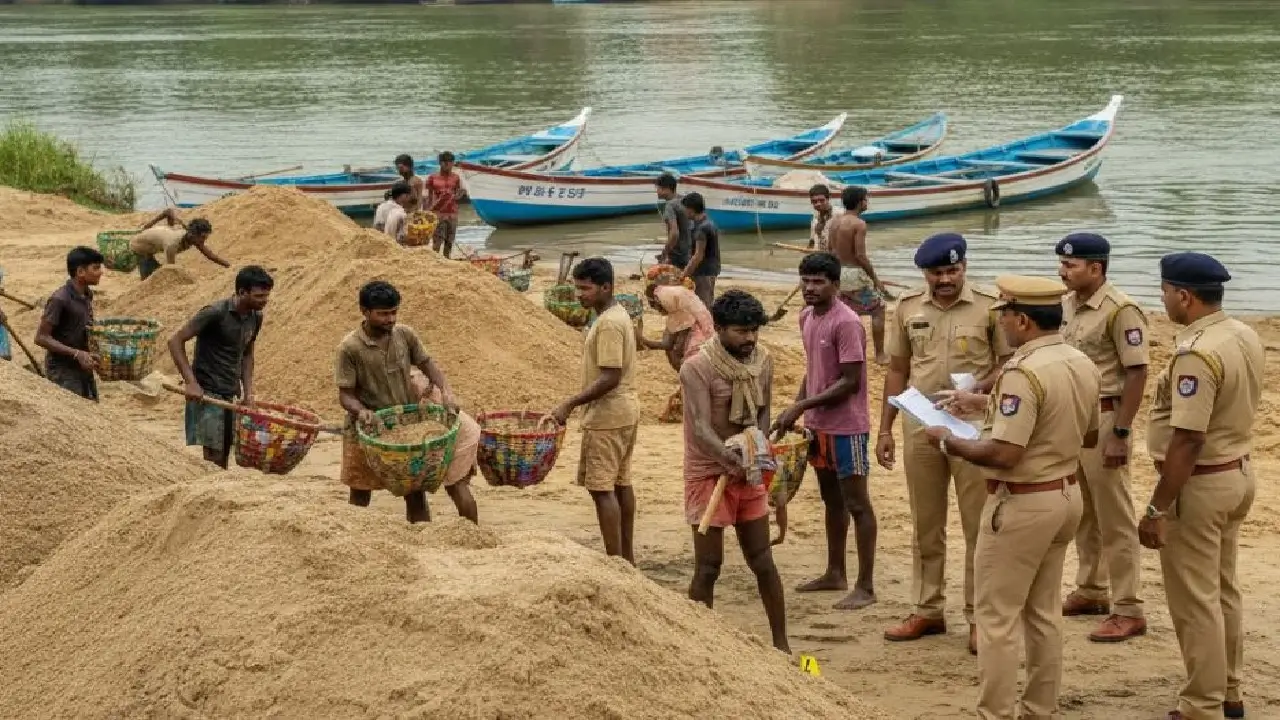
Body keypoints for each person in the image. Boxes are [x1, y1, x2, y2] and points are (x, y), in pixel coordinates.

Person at [925, 274, 1097, 720]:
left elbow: (1004, 452)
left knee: (997, 618)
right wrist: (986, 405)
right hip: (1064, 494)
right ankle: (1040, 709)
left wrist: (946, 440)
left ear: (1022, 320)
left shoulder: (1023, 371)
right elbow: (1089, 429)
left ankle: (995, 713)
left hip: (1023, 501)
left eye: (1004, 315)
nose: (999, 323)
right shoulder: (1079, 360)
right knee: (1042, 613)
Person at [1140, 253, 1261, 720]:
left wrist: (1156, 509)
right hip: (1237, 472)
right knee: (1222, 589)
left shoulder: (1197, 352)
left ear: (1184, 296)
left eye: (1166, 291)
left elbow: (1188, 438)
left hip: (1201, 482)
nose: (1164, 299)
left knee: (1195, 601)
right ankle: (1227, 691)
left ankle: (1202, 705)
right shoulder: (1242, 333)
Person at [877, 232, 1011, 653]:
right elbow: (897, 370)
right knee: (925, 524)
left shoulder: (991, 307)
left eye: (953, 270)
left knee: (979, 526)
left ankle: (978, 617)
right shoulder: (907, 308)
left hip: (972, 429)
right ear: (925, 274)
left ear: (965, 268)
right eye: (938, 272)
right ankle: (927, 609)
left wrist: (977, 392)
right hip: (920, 427)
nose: (946, 278)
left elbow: (1009, 363)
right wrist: (884, 427)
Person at [680, 289, 789, 653]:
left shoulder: (764, 361)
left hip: (748, 471)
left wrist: (756, 449)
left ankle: (781, 644)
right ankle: (700, 645)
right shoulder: (696, 367)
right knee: (709, 566)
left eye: (755, 330)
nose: (750, 339)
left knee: (762, 560)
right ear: (720, 329)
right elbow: (699, 425)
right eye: (741, 331)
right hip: (708, 472)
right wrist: (730, 459)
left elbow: (762, 411)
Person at [1055, 233, 1149, 642]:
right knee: (1084, 510)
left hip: (1107, 416)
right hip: (1074, 420)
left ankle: (1128, 607)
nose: (1062, 271)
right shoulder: (1067, 304)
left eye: (1071, 265)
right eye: (1061, 264)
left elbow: (1137, 372)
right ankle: (1092, 589)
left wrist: (1122, 433)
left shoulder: (1121, 310)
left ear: (1096, 268)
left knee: (1115, 515)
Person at [772, 251, 877, 610]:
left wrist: (801, 406)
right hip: (819, 426)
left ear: (835, 285)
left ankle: (865, 585)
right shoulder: (805, 317)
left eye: (819, 282)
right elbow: (813, 370)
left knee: (858, 504)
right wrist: (797, 407)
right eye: (806, 280)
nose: (810, 288)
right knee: (832, 502)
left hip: (849, 427)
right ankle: (835, 572)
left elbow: (850, 382)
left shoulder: (847, 323)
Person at [335, 280, 479, 524]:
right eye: (382, 314)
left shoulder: (405, 335)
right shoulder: (349, 348)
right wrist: (361, 411)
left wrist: (446, 392)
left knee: (415, 491)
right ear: (364, 312)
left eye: (393, 313)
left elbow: (427, 364)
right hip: (369, 427)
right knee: (360, 489)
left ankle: (420, 537)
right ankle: (354, 538)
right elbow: (345, 394)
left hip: (405, 425)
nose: (390, 319)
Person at [550, 258, 641, 564]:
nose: (580, 295)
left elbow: (610, 375)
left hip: (609, 414)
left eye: (586, 288)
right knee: (620, 482)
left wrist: (570, 403)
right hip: (624, 410)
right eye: (577, 288)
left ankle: (616, 560)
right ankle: (626, 557)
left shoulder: (609, 324)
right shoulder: (614, 315)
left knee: (601, 489)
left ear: (606, 287)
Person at [167, 266, 273, 468]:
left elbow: (248, 353)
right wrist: (191, 383)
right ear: (242, 292)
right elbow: (175, 341)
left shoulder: (255, 317)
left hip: (230, 392)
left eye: (266, 296)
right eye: (259, 296)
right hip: (207, 393)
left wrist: (248, 393)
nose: (264, 301)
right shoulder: (215, 313)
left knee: (226, 451)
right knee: (213, 455)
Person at [826, 186, 887, 364]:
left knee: (847, 311)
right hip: (854, 276)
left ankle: (845, 351)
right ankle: (880, 354)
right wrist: (875, 279)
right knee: (877, 309)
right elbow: (860, 255)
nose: (867, 202)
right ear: (861, 202)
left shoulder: (835, 221)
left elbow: (831, 250)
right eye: (866, 199)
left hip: (838, 273)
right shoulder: (859, 224)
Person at [35, 246, 103, 401]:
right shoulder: (60, 299)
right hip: (62, 370)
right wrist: (76, 354)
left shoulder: (87, 294)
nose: (101, 272)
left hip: (83, 366)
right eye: (96, 268)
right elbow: (41, 337)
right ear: (80, 272)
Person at [130, 208, 230, 280]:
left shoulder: (190, 232)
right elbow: (171, 270)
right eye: (202, 237)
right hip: (139, 247)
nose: (203, 241)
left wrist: (229, 266)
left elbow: (168, 212)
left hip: (153, 239)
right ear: (192, 234)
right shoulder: (172, 245)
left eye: (205, 237)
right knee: (150, 279)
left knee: (157, 272)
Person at [679, 192, 722, 308]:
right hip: (711, 268)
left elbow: (698, 255)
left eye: (685, 209)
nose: (684, 212)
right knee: (703, 300)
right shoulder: (708, 222)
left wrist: (684, 274)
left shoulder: (702, 229)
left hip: (704, 272)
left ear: (691, 210)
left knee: (703, 304)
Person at [425, 151, 464, 258]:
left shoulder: (456, 177)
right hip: (438, 213)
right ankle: (435, 260)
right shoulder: (432, 178)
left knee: (450, 240)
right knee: (437, 240)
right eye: (444, 162)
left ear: (452, 163)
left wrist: (459, 196)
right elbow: (428, 197)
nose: (447, 165)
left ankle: (447, 259)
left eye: (450, 162)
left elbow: (458, 192)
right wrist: (428, 212)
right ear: (440, 163)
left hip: (452, 213)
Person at [655, 173, 692, 268]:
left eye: (658, 188)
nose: (656, 191)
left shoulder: (670, 206)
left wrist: (664, 252)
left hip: (678, 256)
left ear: (666, 189)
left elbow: (674, 233)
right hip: (691, 252)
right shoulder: (686, 201)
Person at [807, 183, 841, 251]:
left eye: (821, 200)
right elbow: (812, 242)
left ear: (828, 199)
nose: (818, 204)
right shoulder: (815, 218)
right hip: (821, 257)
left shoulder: (839, 215)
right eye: (814, 201)